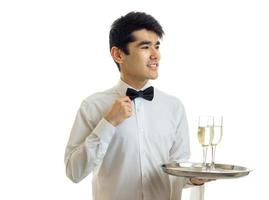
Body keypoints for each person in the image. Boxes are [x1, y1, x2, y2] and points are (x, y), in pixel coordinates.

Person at [64, 11, 210, 200]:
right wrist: (108, 123)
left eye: (157, 46)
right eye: (145, 47)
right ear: (118, 54)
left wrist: (193, 179)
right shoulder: (92, 106)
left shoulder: (174, 107)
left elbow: (177, 171)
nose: (155, 55)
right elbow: (73, 172)